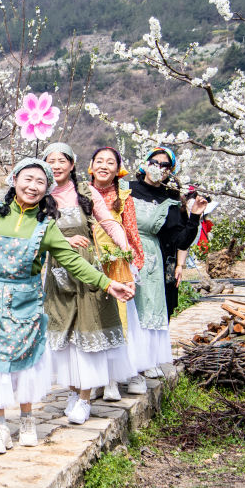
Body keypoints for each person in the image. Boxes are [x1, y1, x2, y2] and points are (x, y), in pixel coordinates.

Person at [0, 158, 135, 454]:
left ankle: (27, 420)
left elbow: (73, 261)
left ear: (47, 190)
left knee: (25, 363)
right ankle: (0, 427)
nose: (33, 186)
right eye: (27, 179)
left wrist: (106, 283)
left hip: (25, 304)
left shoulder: (46, 226)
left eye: (40, 182)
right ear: (14, 180)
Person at [43, 143, 136, 424]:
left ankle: (85, 398)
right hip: (58, 274)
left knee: (89, 331)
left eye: (62, 160)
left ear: (72, 164)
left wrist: (125, 247)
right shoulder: (41, 195)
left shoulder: (85, 192)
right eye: (51, 161)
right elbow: (35, 233)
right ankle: (73, 391)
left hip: (87, 271)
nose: (56, 166)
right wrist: (63, 241)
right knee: (66, 335)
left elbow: (109, 222)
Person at [128, 147, 206, 378]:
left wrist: (194, 216)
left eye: (165, 165)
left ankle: (147, 360)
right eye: (154, 162)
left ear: (170, 171)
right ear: (145, 163)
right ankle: (124, 363)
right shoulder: (126, 189)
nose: (158, 168)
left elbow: (179, 239)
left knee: (149, 306)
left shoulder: (171, 200)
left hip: (152, 258)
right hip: (124, 252)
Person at [87, 146, 149, 400]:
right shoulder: (81, 193)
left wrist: (135, 261)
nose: (104, 166)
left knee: (120, 319)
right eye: (99, 161)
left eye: (110, 162)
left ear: (118, 170)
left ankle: (117, 377)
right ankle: (97, 377)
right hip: (89, 262)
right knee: (93, 319)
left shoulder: (124, 197)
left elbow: (131, 231)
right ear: (91, 166)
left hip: (116, 263)